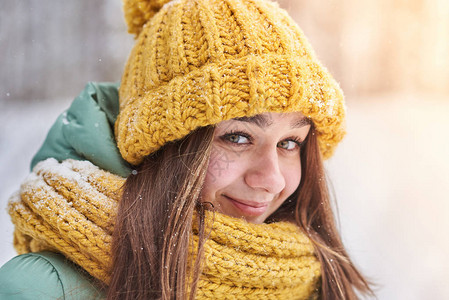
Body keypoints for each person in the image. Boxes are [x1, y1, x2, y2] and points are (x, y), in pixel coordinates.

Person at [0, 0, 373, 299]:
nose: (271, 180)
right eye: (238, 137)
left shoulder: (314, 279)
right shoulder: (43, 289)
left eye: (290, 143)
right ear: (164, 147)